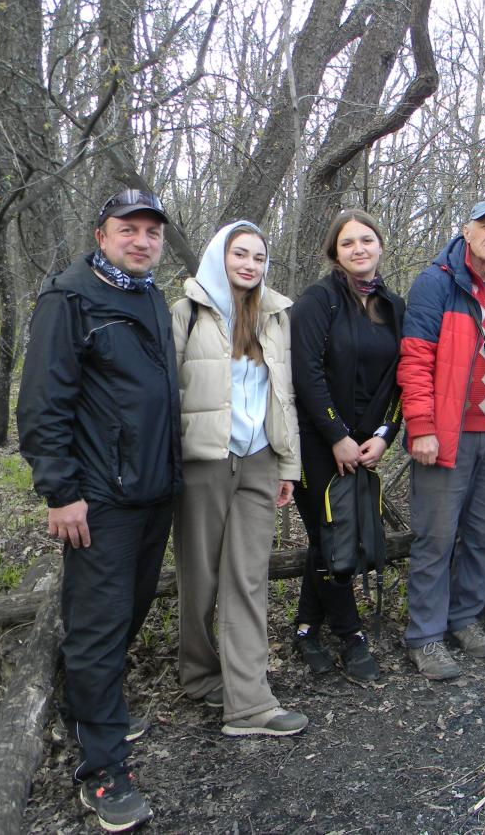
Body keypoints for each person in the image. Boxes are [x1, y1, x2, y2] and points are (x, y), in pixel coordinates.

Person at [18, 188, 181, 831]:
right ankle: (102, 768)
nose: (142, 241)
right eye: (128, 230)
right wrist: (60, 491)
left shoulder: (149, 298)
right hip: (100, 498)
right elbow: (42, 403)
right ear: (101, 233)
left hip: (154, 490)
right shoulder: (70, 298)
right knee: (97, 626)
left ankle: (94, 709)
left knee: (129, 612)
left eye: (152, 232)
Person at [171, 221, 308, 736]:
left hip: (259, 459)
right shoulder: (187, 313)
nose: (250, 265)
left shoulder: (274, 315)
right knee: (199, 578)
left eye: (258, 257)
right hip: (202, 461)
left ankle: (249, 704)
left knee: (248, 578)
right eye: (240, 254)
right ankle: (201, 675)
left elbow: (285, 392)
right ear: (219, 257)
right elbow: (167, 395)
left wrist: (288, 465)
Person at [399, 200, 485, 680]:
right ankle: (425, 635)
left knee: (482, 533)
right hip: (449, 431)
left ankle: (465, 618)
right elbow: (414, 360)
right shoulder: (437, 283)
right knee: (435, 536)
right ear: (467, 231)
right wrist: (423, 427)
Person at [290, 209, 405, 683]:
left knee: (333, 539)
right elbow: (306, 372)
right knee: (332, 537)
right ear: (335, 252)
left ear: (380, 246)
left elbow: (403, 378)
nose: (359, 249)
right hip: (315, 441)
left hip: (366, 444)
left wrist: (384, 435)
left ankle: (305, 628)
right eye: (347, 243)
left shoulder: (393, 306)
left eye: (366, 240)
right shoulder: (319, 300)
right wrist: (337, 435)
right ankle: (352, 635)